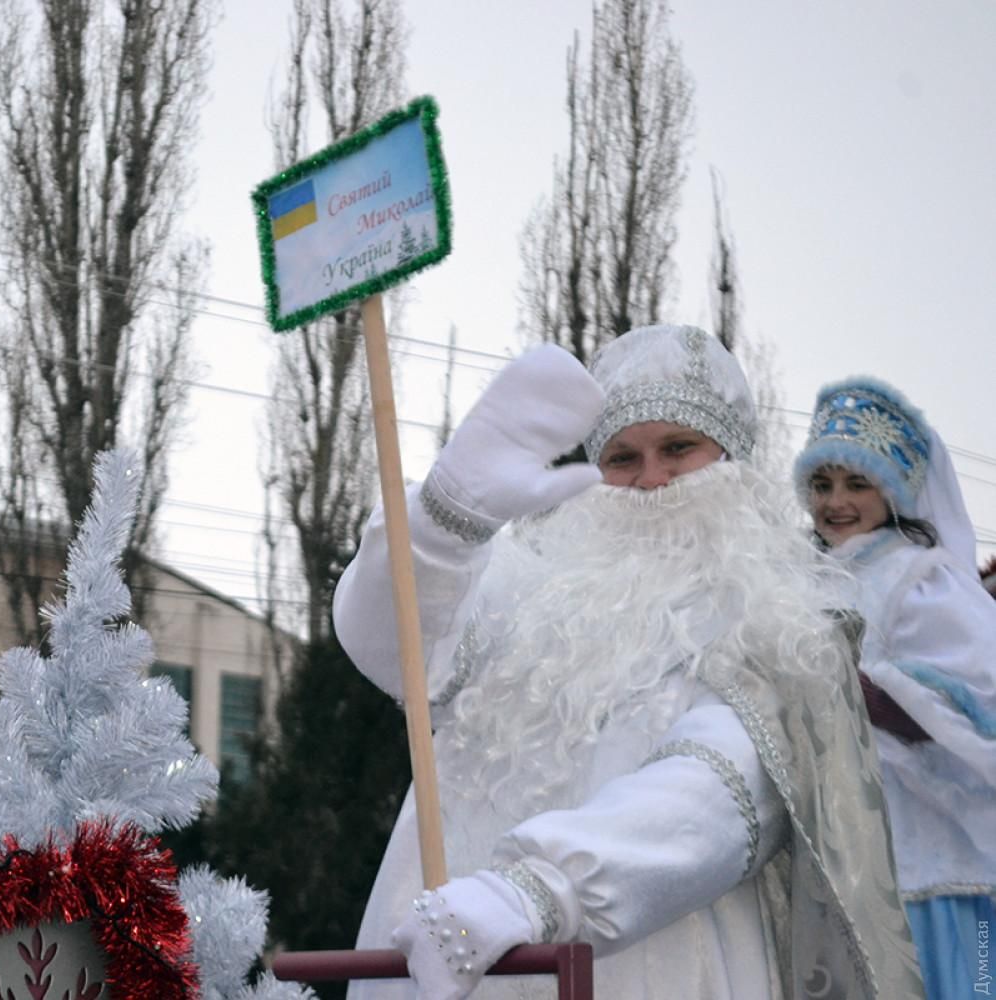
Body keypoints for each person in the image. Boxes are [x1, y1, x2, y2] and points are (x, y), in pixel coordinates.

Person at [333, 325, 923, 1000]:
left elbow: (721, 790)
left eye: (678, 448)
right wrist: (444, 524)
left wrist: (543, 890)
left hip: (653, 964)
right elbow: (394, 650)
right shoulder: (534, 583)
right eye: (621, 458)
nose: (651, 481)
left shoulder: (779, 619)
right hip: (452, 951)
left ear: (732, 454)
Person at [795, 377, 996, 999]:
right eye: (822, 484)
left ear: (895, 489)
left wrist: (862, 690)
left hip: (927, 856)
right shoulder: (802, 576)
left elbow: (981, 695)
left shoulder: (921, 578)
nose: (837, 502)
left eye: (858, 483)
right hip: (836, 848)